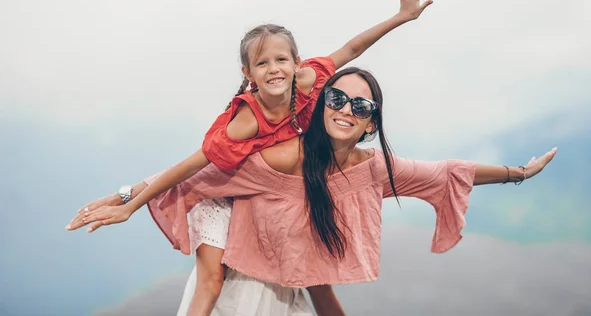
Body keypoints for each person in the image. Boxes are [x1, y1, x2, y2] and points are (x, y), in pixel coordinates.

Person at [67, 0, 434, 315]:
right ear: (248, 73)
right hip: (219, 196)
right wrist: (129, 204)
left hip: (259, 189)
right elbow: (192, 168)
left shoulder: (309, 81)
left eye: (280, 60)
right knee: (211, 284)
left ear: (297, 63)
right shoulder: (246, 121)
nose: (273, 69)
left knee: (310, 275)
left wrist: (401, 17)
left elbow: (353, 47)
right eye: (262, 63)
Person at [70, 67, 557, 314]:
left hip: (289, 295)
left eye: (360, 105)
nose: (346, 109)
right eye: (337, 98)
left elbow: (450, 171)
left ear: (371, 121)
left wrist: (518, 173)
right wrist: (125, 197)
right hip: (239, 295)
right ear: (322, 103)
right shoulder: (285, 158)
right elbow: (201, 174)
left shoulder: (375, 170)